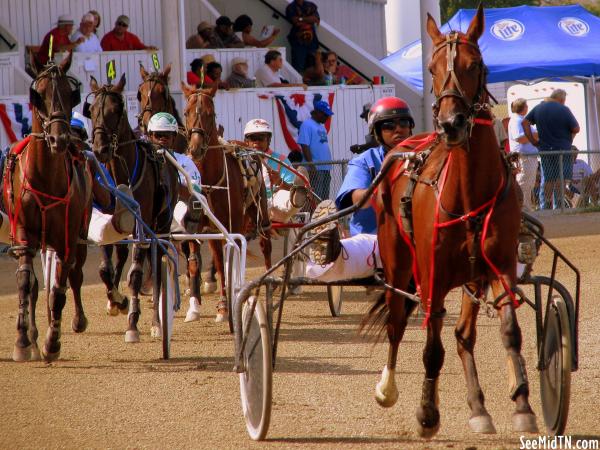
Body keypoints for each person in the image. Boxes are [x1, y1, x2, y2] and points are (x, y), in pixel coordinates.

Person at [306, 97, 415, 281]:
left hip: (417, 241)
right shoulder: (366, 160)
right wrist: (379, 193)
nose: (398, 129)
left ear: (410, 127)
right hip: (375, 240)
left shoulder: (424, 156)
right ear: (377, 132)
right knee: (329, 265)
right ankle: (328, 247)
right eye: (389, 125)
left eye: (403, 123)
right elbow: (353, 199)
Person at [243, 119, 309, 224]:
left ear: (268, 140)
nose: (257, 142)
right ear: (246, 141)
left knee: (283, 197)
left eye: (261, 138)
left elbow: (290, 188)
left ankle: (295, 200)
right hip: (247, 205)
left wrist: (279, 182)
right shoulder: (241, 160)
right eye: (253, 138)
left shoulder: (281, 161)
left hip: (271, 204)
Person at [522, 89, 580, 209]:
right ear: (561, 99)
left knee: (548, 179)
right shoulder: (564, 109)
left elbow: (525, 123)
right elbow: (576, 128)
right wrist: (569, 139)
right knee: (561, 178)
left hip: (545, 150)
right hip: (563, 150)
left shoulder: (538, 108)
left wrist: (533, 141)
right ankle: (559, 205)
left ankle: (546, 205)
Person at [297, 100, 333, 202]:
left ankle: (324, 217)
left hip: (325, 167)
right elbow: (304, 145)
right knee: (316, 197)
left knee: (324, 197)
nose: (327, 117)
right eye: (325, 115)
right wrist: (311, 164)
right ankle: (315, 217)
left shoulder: (321, 127)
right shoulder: (307, 124)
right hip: (315, 168)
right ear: (317, 112)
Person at [508, 98, 539, 211]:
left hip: (529, 157)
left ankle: (526, 207)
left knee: (528, 184)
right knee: (524, 183)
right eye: (526, 106)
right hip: (524, 157)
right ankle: (521, 208)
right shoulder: (516, 120)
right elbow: (519, 138)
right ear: (524, 108)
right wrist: (534, 136)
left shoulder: (521, 120)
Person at [286, 0, 320, 73]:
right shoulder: (291, 7)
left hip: (312, 42)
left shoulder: (311, 5)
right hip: (298, 42)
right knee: (298, 67)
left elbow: (316, 19)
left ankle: (311, 83)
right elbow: (295, 22)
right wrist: (309, 20)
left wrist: (301, 19)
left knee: (313, 65)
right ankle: (298, 84)